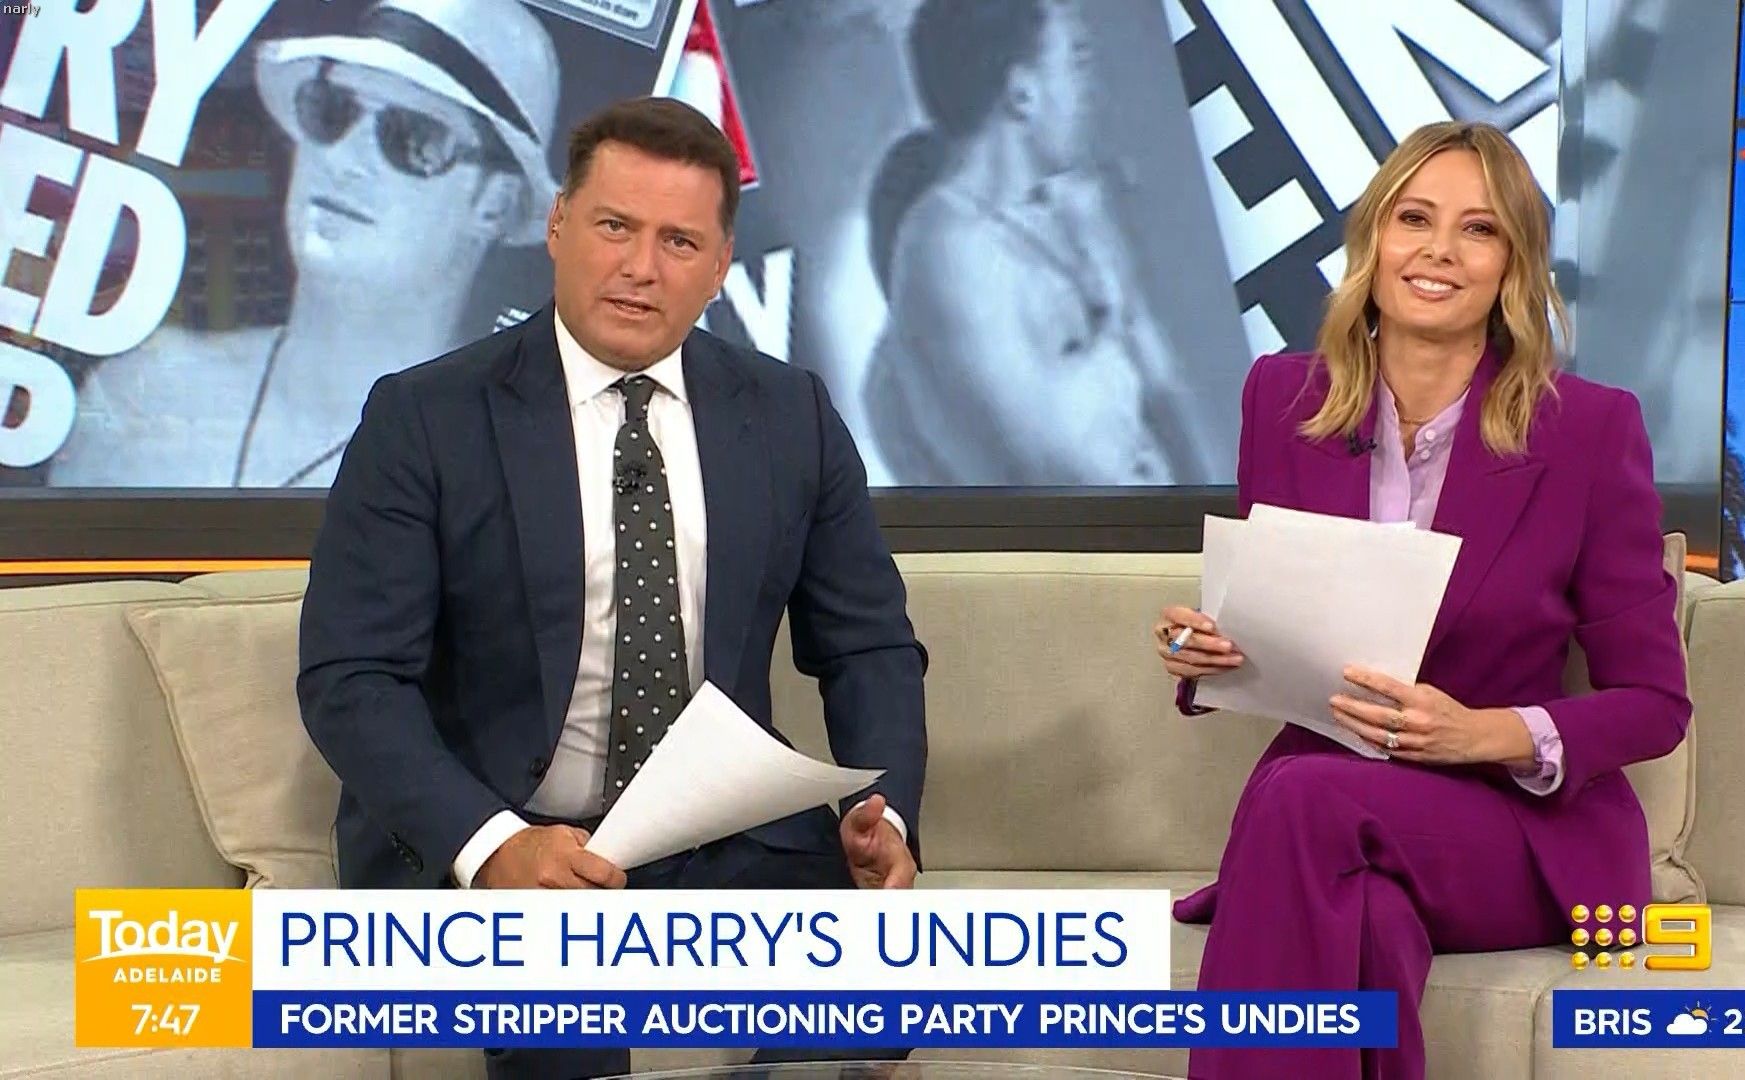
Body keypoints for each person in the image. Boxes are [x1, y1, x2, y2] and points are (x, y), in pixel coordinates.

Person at [297, 96, 926, 1080]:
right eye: (614, 226)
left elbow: (868, 647)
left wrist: (886, 819)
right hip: (509, 833)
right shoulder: (426, 416)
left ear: (721, 266)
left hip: (723, 836)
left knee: (873, 1003)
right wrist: (494, 847)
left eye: (679, 241)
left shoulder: (787, 414)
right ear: (557, 226)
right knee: (566, 1028)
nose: (640, 267)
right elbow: (351, 678)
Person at [1152, 121, 1691, 1079]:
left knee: (1302, 797)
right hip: (1341, 824)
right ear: (1374, 240)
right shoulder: (1283, 401)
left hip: (1515, 831)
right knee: (1361, 915)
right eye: (1414, 219)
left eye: (1478, 230)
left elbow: (1654, 705)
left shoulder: (1589, 430)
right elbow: (1280, 615)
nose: (1439, 250)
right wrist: (1212, 650)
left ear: (1512, 267)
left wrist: (1480, 734)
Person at [49, 0, 558, 488]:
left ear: (494, 203)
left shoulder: (485, 484)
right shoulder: (142, 395)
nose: (343, 158)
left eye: (414, 138)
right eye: (331, 111)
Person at [859, 0, 1219, 486]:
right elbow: (1048, 467)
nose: (1089, 90)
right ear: (1022, 93)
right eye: (1074, 60)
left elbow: (1160, 388)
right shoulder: (946, 249)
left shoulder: (1052, 221)